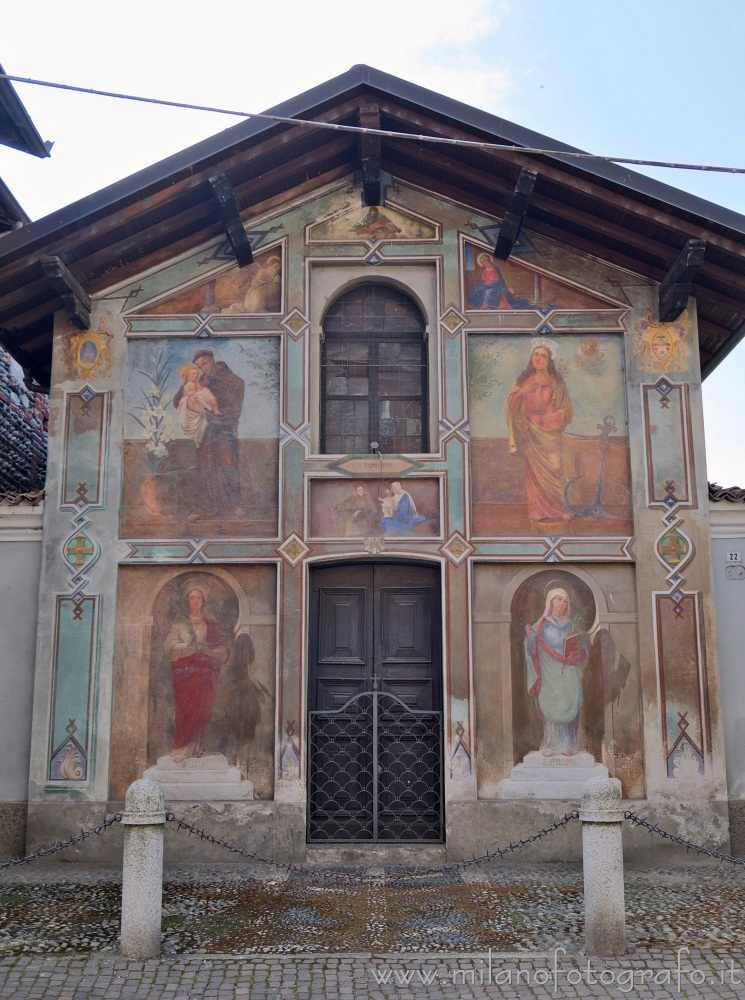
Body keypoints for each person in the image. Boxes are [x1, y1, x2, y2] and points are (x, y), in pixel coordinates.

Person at [504, 338, 573, 524]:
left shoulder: (558, 383)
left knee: (555, 469)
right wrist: (521, 393)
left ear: (549, 360)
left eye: (543, 356)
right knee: (533, 474)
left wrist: (556, 416)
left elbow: (567, 410)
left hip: (550, 434)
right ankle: (536, 509)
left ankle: (558, 509)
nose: (539, 359)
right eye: (536, 354)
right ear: (531, 357)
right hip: (531, 433)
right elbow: (510, 407)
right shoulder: (524, 382)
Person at [173, 349, 245, 519]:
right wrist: (187, 383)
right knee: (204, 468)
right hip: (205, 432)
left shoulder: (234, 381)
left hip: (225, 430)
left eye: (204, 363)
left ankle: (236, 503)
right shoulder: (198, 380)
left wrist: (207, 413)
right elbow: (178, 401)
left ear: (212, 360)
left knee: (228, 463)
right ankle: (203, 507)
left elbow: (233, 412)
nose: (202, 368)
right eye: (198, 366)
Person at [165, 583, 230, 762]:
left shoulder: (210, 623)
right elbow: (170, 647)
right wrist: (187, 646)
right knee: (185, 710)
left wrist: (211, 652)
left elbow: (223, 648)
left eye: (199, 597)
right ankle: (182, 746)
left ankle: (196, 747)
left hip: (204, 673)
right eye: (192, 597)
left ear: (203, 601)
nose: (196, 601)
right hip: (185, 673)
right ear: (187, 601)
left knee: (202, 709)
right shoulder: (179, 622)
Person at [524, 584, 589, 757]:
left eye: (566, 601)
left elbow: (582, 652)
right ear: (550, 602)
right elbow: (532, 650)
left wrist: (576, 654)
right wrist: (531, 639)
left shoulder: (571, 625)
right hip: (548, 672)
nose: (563, 603)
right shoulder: (541, 625)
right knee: (551, 705)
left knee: (568, 702)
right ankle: (551, 744)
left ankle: (568, 743)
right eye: (559, 599)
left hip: (568, 671)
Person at [176, 363, 223, 447]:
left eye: (196, 373)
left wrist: (204, 392)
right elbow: (188, 394)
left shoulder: (198, 383)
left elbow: (202, 389)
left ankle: (216, 410)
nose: (196, 375)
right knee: (200, 397)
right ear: (188, 376)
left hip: (201, 395)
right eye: (193, 374)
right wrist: (196, 392)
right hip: (194, 398)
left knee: (212, 398)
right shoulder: (187, 385)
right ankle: (208, 404)